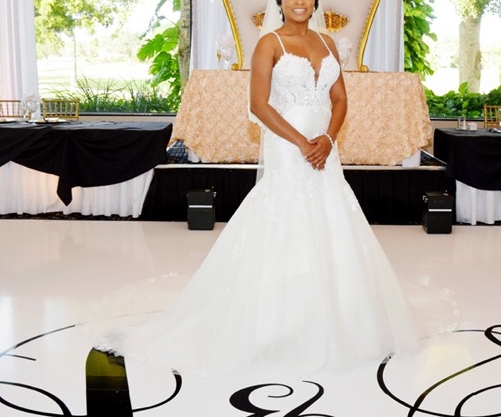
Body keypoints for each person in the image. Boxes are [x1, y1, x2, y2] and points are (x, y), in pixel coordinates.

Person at [94, 0, 457, 377]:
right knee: (287, 215)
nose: (299, 2)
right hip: (288, 146)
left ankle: (336, 316)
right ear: (281, 3)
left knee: (331, 214)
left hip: (324, 148)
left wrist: (328, 140)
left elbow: (340, 98)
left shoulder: (328, 44)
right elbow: (258, 105)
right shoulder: (269, 43)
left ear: (314, 3)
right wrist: (303, 143)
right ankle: (277, 321)